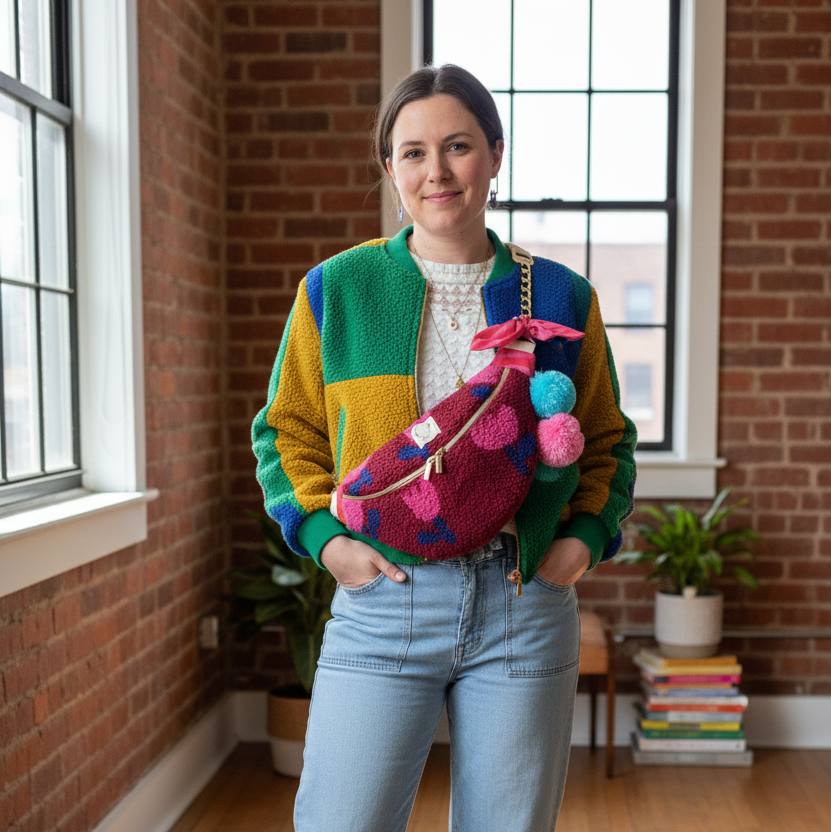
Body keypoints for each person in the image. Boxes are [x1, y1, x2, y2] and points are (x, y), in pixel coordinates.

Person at [252, 64, 637, 832]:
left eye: (458, 146)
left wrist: (584, 542)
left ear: (495, 153)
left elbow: (605, 443)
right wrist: (328, 544)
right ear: (390, 168)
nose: (438, 170)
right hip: (384, 595)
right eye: (414, 151)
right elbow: (284, 432)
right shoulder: (340, 289)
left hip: (522, 605)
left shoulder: (561, 297)